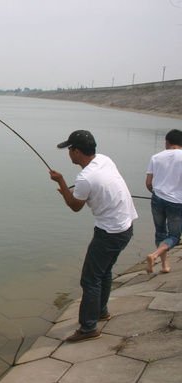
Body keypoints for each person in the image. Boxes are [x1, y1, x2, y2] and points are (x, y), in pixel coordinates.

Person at [49, 130, 138, 342]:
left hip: (110, 233)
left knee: (89, 280)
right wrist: (72, 189)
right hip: (126, 227)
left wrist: (61, 182)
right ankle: (101, 312)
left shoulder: (85, 178)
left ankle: (88, 329)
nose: (69, 153)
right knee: (104, 272)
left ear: (77, 151)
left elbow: (75, 206)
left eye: (70, 149)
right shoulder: (104, 160)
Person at [145, 129, 182, 274]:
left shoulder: (156, 157)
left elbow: (148, 183)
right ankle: (155, 256)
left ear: (167, 142)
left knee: (160, 232)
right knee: (174, 236)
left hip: (157, 199)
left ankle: (164, 264)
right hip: (177, 202)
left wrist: (157, 193)